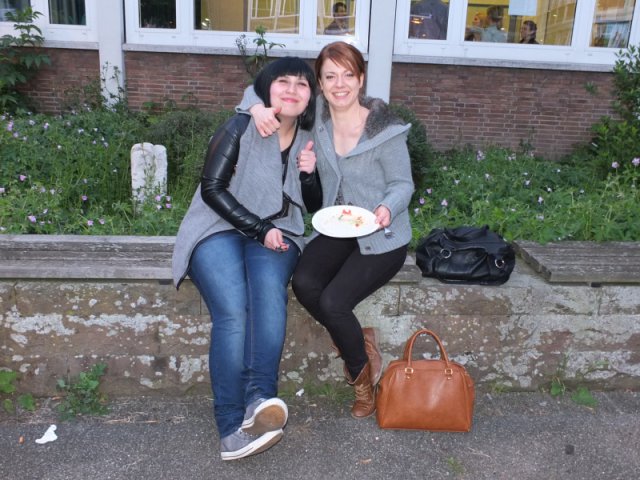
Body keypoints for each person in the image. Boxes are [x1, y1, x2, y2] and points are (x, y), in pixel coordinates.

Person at [238, 41, 414, 419]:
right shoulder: (316, 114)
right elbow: (259, 89)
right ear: (319, 83)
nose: (340, 84)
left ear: (361, 79)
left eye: (348, 75)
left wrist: (387, 207)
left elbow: (403, 184)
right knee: (304, 283)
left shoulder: (385, 128)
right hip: (337, 225)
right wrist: (255, 108)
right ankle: (359, 342)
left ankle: (361, 376)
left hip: (382, 235)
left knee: (334, 302)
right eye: (330, 76)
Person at [172, 57, 321, 461]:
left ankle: (260, 400)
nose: (292, 90)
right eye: (283, 82)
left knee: (269, 295)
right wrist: (258, 228)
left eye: (302, 84)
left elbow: (313, 205)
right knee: (234, 312)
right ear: (266, 89)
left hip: (279, 231)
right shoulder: (241, 125)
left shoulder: (310, 138)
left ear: (310, 97)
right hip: (216, 227)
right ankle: (229, 426)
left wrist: (309, 174)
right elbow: (211, 188)